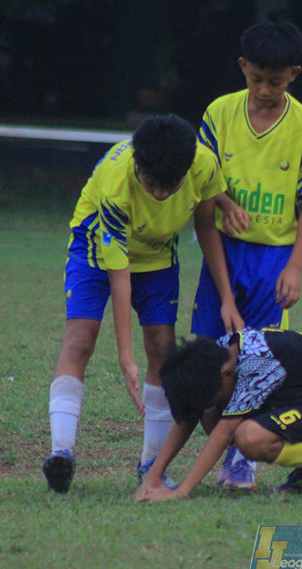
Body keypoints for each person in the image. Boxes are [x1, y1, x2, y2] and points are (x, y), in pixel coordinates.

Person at [42, 114, 243, 494]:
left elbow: (204, 227)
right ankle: (61, 453)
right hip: (94, 249)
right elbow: (121, 277)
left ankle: (151, 463)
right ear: (138, 165)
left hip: (158, 254)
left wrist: (227, 297)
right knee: (80, 340)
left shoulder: (202, 163)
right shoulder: (117, 183)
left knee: (163, 349)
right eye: (153, 185)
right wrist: (124, 356)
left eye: (173, 186)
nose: (163, 196)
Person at [190, 20, 302, 491]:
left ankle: (241, 457)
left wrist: (295, 267)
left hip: (273, 261)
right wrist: (227, 203)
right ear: (243, 67)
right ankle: (227, 451)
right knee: (210, 366)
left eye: (277, 81)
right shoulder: (218, 115)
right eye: (257, 79)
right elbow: (203, 202)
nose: (265, 90)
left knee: (257, 366)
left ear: (294, 74)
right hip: (222, 257)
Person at [133, 328, 302, 502]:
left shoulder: (255, 365)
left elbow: (224, 432)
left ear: (227, 374)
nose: (218, 405)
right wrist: (153, 477)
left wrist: (181, 491)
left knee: (250, 437)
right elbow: (192, 414)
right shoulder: (218, 356)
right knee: (210, 412)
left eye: (217, 397)